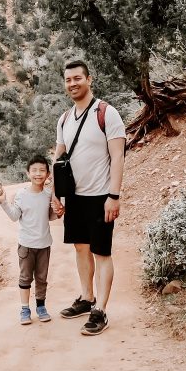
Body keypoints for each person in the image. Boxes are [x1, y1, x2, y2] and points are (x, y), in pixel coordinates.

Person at [52, 60, 127, 336]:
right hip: (75, 198)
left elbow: (118, 156)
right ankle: (86, 298)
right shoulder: (64, 119)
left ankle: (101, 310)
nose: (72, 84)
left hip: (100, 197)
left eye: (77, 78)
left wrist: (114, 196)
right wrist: (55, 195)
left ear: (89, 79)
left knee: (102, 252)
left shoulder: (106, 113)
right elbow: (58, 157)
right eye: (68, 80)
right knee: (80, 248)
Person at [0, 155, 60, 325]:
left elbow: (51, 217)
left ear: (47, 174)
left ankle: (41, 307)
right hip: (26, 245)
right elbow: (14, 216)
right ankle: (25, 309)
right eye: (34, 170)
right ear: (27, 173)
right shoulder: (21, 195)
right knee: (25, 278)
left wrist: (59, 211)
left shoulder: (48, 195)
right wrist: (4, 203)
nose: (38, 174)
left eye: (42, 170)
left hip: (44, 244)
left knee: (41, 278)